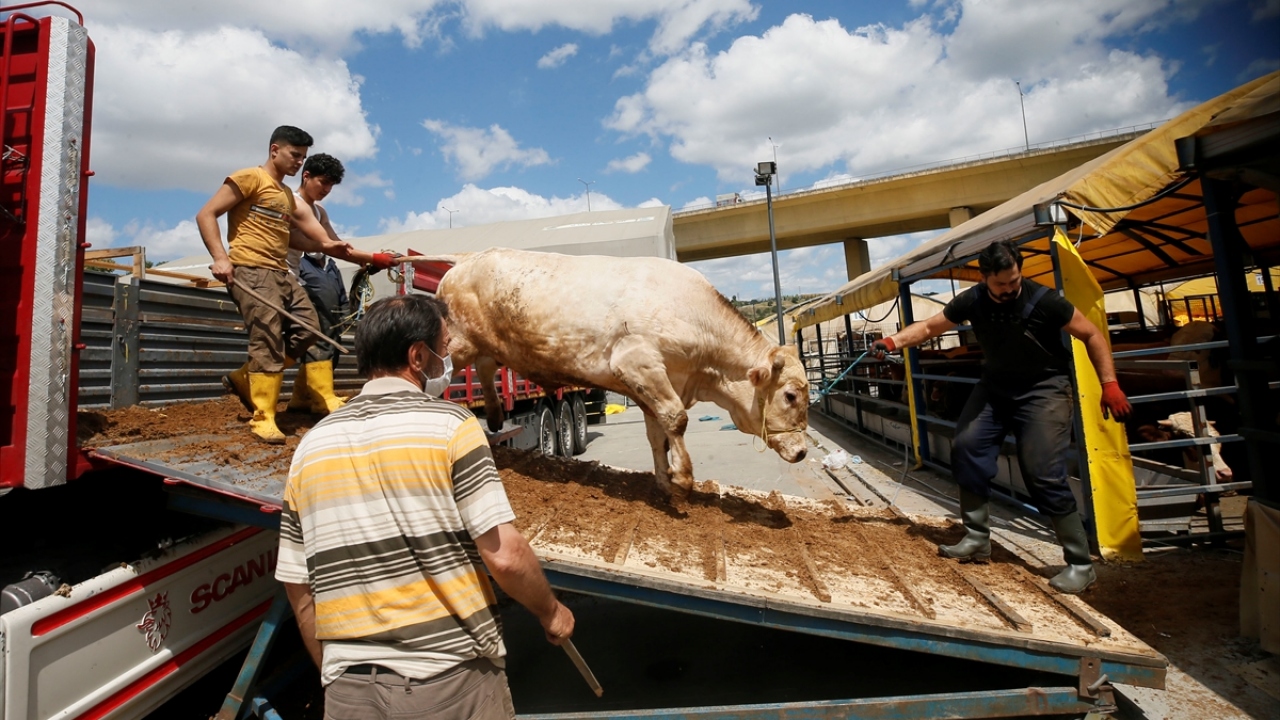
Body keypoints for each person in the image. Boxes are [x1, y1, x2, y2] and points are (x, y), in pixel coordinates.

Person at [275, 294, 574, 720]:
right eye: (445, 348)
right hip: (448, 682)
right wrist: (551, 611)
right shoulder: (450, 426)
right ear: (418, 356)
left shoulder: (310, 446)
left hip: (349, 693)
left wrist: (336, 674)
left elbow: (298, 583)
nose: (448, 360)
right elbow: (505, 555)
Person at [872, 240, 1131, 594]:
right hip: (995, 387)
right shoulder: (972, 300)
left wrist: (1109, 383)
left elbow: (1091, 334)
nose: (1009, 289)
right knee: (966, 446)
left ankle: (1080, 564)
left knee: (1042, 471)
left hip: (1044, 388)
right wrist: (893, 341)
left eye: (1014, 281)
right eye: (1001, 284)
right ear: (985, 278)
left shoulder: (1045, 300)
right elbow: (931, 327)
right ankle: (977, 538)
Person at [196, 125, 354, 443]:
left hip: (281, 273)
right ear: (275, 151)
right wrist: (220, 257)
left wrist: (336, 249)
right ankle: (263, 417)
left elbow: (299, 238)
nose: (299, 163)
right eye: (295, 155)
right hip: (251, 269)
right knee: (267, 339)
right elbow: (206, 214)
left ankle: (245, 378)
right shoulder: (249, 178)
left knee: (309, 328)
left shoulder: (284, 195)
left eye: (303, 157)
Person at [286, 153, 395, 415]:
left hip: (325, 267)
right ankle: (321, 395)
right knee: (321, 330)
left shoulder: (319, 210)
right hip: (303, 267)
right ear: (306, 175)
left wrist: (365, 261)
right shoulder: (291, 202)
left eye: (331, 185)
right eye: (323, 182)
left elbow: (335, 244)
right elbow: (326, 243)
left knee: (334, 326)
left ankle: (303, 397)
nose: (326, 190)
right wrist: (371, 257)